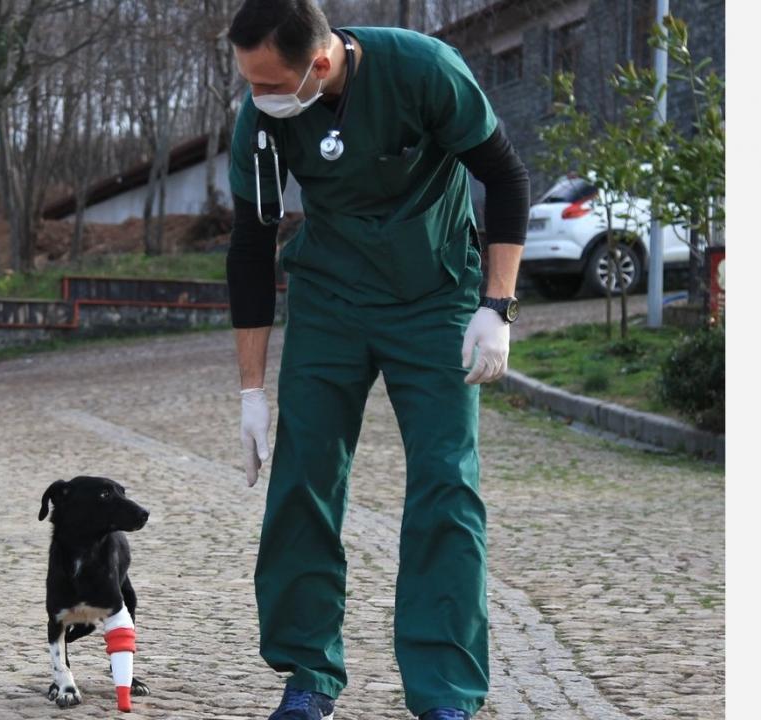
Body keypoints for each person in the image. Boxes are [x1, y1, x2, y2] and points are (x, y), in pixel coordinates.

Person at [223, 2, 530, 719]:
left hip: (435, 294)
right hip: (330, 299)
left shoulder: (424, 72)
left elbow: (506, 177)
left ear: (319, 63)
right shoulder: (262, 118)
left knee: (445, 483)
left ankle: (445, 693)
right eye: (248, 82)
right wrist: (251, 392)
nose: (257, 97)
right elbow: (250, 246)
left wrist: (497, 306)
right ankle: (308, 674)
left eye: (269, 83)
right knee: (303, 478)